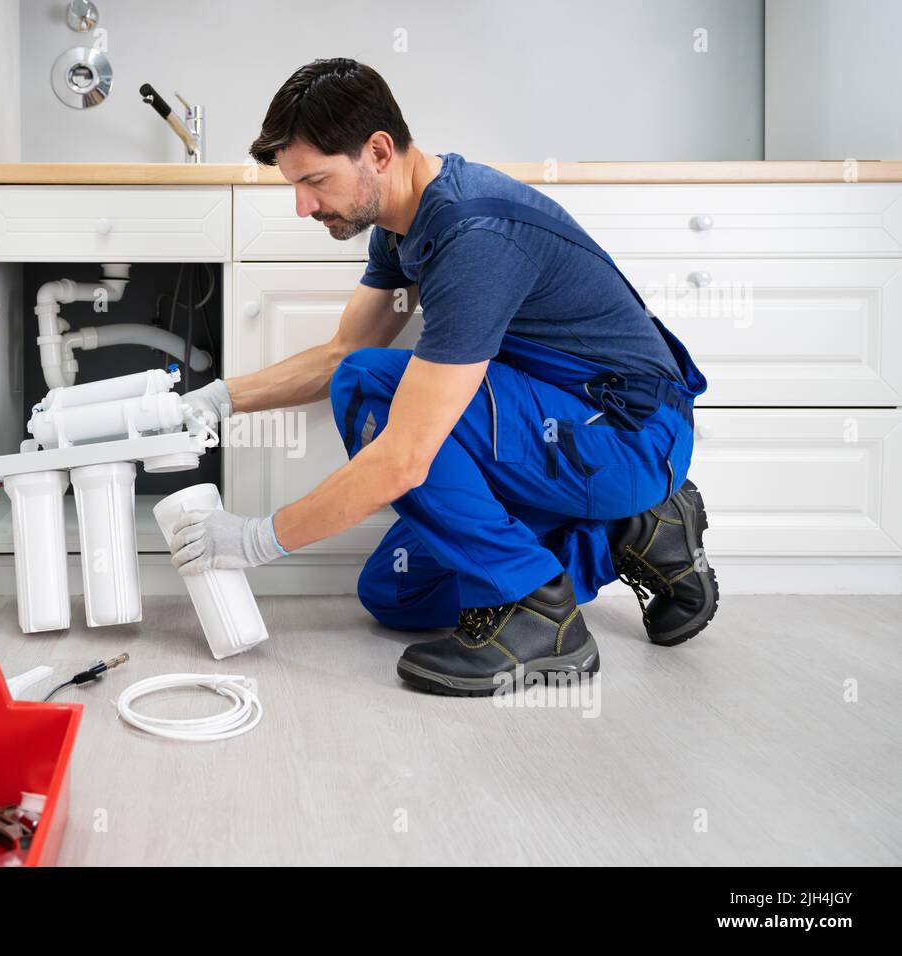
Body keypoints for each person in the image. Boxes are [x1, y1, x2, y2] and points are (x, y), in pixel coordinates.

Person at [167, 58, 719, 696]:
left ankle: (542, 617)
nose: (303, 205)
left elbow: (401, 457)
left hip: (627, 434)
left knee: (371, 385)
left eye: (314, 180)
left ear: (377, 151)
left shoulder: (476, 236)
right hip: (560, 431)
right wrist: (213, 401)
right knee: (397, 591)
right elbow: (338, 350)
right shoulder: (402, 224)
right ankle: (632, 531)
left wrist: (255, 540)